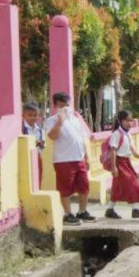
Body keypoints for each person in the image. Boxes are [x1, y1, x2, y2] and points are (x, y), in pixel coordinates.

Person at [44, 91, 94, 225]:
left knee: (84, 186)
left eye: (66, 105)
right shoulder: (51, 121)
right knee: (65, 188)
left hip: (79, 158)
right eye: (61, 105)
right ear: (55, 106)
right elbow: (52, 136)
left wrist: (87, 157)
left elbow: (82, 138)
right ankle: (67, 214)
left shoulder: (75, 120)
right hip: (63, 160)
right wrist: (60, 120)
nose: (65, 108)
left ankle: (82, 211)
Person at [106, 110, 139, 220]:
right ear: (120, 121)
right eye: (127, 120)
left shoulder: (128, 134)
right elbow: (113, 151)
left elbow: (133, 151)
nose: (130, 123)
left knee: (117, 187)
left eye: (131, 120)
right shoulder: (116, 134)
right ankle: (135, 210)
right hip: (119, 163)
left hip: (126, 162)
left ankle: (110, 210)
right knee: (133, 183)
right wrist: (114, 166)